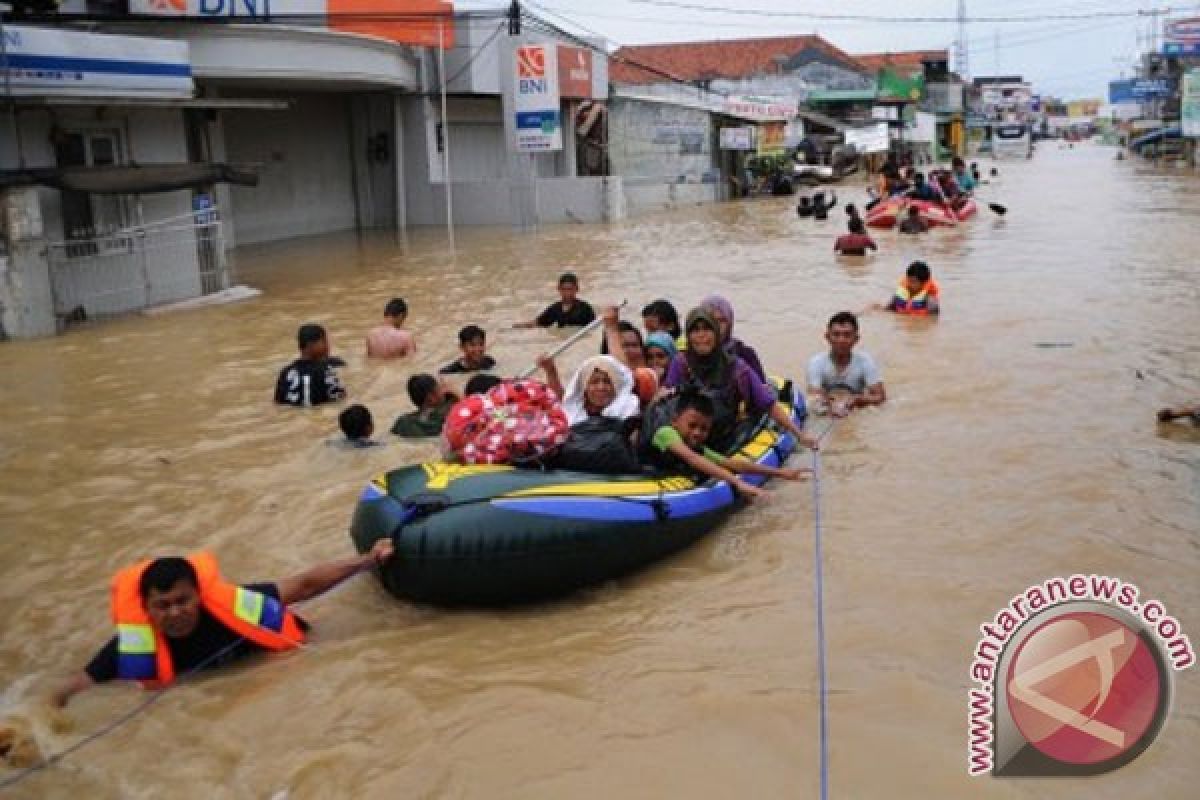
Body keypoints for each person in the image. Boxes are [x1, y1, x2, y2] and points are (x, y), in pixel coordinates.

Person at [49, 541, 395, 707]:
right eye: (162, 605)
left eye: (182, 601)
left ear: (198, 596)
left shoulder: (234, 606)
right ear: (148, 609)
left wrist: (368, 560)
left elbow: (303, 585)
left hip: (288, 651)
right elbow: (76, 684)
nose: (174, 613)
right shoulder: (133, 647)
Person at [665, 308, 816, 452]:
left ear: (716, 334)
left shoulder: (736, 368)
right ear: (688, 336)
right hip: (686, 435)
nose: (701, 335)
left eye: (707, 329)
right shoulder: (681, 363)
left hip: (722, 436)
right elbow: (666, 398)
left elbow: (768, 404)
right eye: (695, 330)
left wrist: (799, 435)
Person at [645, 390, 808, 500]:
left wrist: (780, 472)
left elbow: (732, 464)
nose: (697, 433)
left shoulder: (697, 447)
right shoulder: (665, 433)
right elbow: (692, 459)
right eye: (692, 425)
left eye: (704, 429)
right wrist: (737, 483)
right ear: (675, 422)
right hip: (643, 475)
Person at [807, 311, 886, 418]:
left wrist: (858, 400)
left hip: (855, 406)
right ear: (827, 337)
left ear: (856, 339)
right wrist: (830, 406)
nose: (841, 340)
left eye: (847, 335)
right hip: (828, 407)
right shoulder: (816, 363)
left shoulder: (865, 362)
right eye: (836, 334)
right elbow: (814, 396)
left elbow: (880, 397)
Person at [274, 324, 346, 407]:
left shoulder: (285, 372)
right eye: (324, 341)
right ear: (310, 345)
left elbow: (278, 403)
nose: (328, 346)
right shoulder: (326, 371)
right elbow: (340, 399)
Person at [701, 294, 767, 382]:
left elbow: (762, 388)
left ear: (729, 323)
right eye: (711, 320)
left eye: (721, 320)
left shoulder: (745, 354)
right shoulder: (688, 357)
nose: (716, 325)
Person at [514, 272, 596, 328]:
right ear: (558, 289)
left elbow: (594, 327)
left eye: (570, 289)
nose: (567, 292)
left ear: (577, 289)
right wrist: (516, 326)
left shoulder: (585, 308)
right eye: (564, 289)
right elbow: (538, 322)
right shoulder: (555, 309)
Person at [391, 374, 459, 437]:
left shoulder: (403, 422)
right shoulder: (446, 415)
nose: (443, 391)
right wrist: (455, 395)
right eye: (439, 389)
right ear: (431, 397)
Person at [875, 261, 940, 316]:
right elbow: (890, 308)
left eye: (913, 282)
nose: (909, 284)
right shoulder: (902, 291)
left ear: (924, 283)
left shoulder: (931, 300)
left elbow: (932, 320)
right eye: (908, 280)